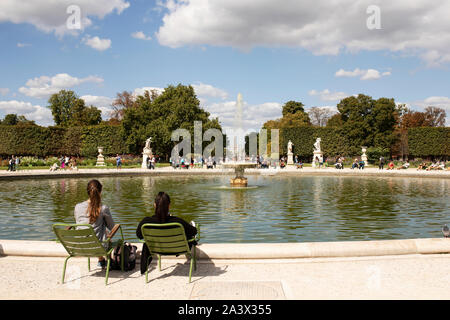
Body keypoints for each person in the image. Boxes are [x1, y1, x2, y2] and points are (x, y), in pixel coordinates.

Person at [136, 192, 197, 275]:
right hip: (178, 249)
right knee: (190, 229)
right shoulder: (177, 222)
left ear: (154, 205)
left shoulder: (146, 222)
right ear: (169, 205)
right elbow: (194, 231)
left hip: (157, 250)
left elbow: (139, 235)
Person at [74, 179, 116, 268]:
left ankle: (101, 260)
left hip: (81, 246)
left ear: (87, 192)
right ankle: (108, 260)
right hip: (98, 247)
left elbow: (79, 223)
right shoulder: (103, 208)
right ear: (100, 192)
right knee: (105, 231)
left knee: (95, 229)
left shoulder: (77, 207)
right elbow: (112, 227)